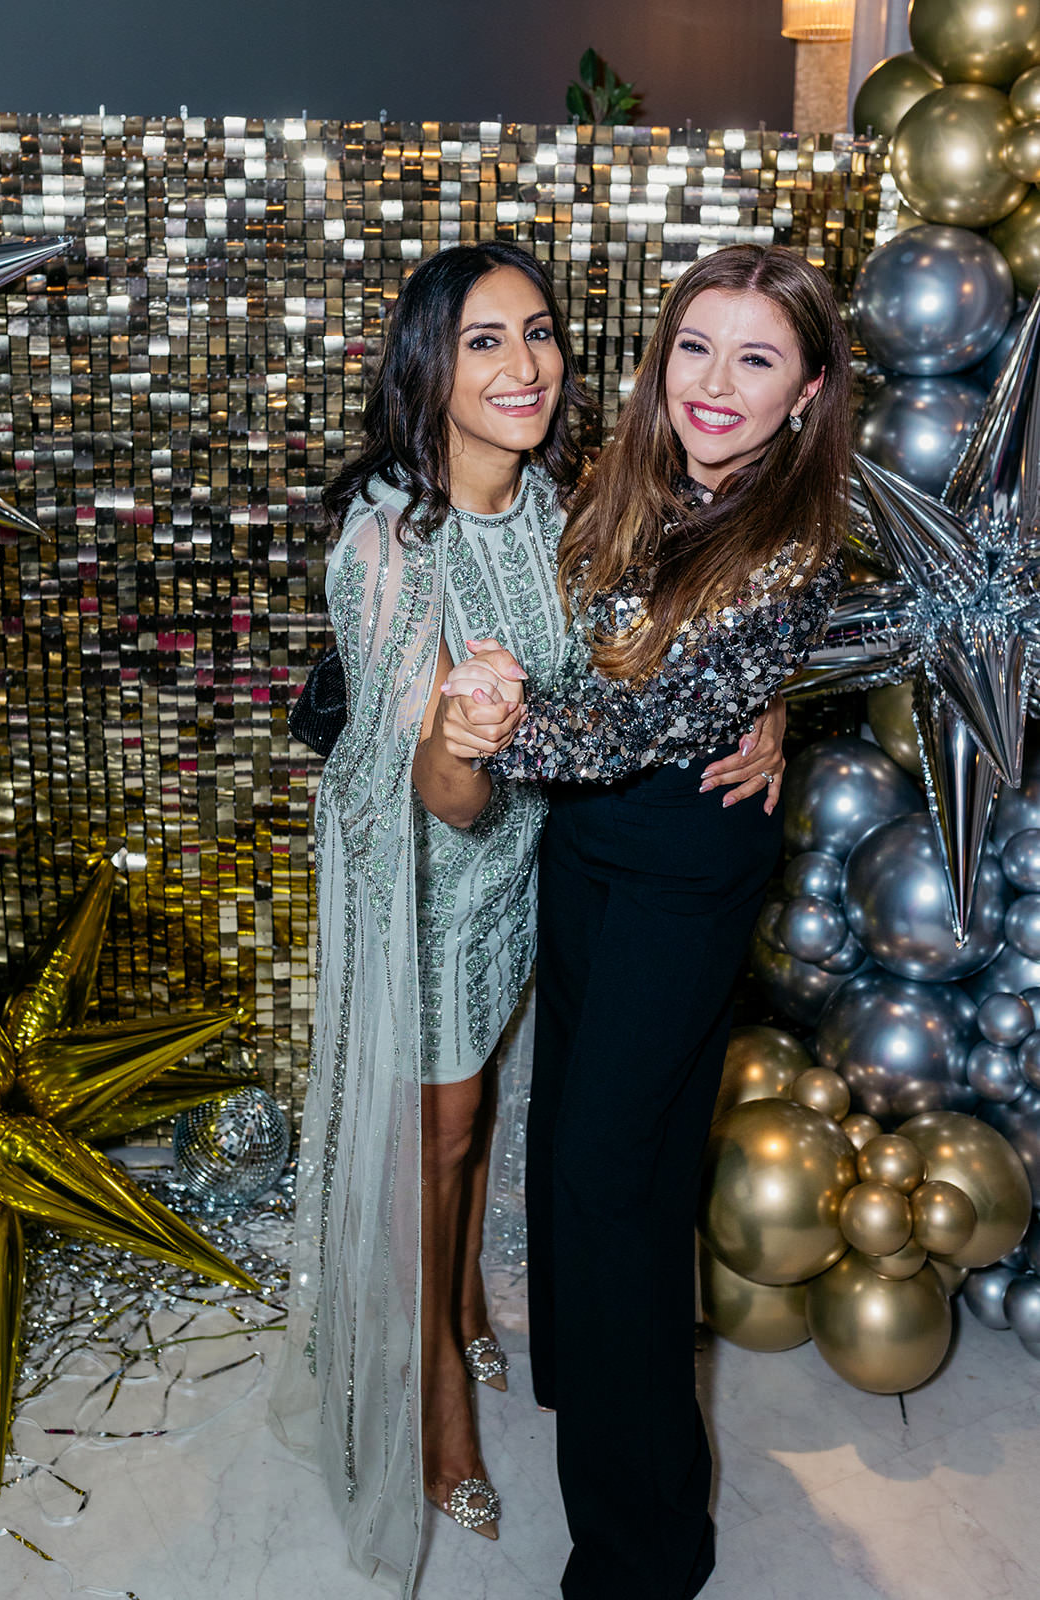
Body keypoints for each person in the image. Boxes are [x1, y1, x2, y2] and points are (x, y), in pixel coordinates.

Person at [271, 241, 787, 1599]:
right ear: (427, 370)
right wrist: (463, 737)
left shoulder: (564, 498)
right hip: (430, 877)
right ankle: (436, 1383)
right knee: (442, 1131)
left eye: (540, 332)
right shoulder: (392, 546)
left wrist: (771, 703)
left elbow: (670, 632)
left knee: (499, 1103)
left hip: (536, 864)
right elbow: (439, 802)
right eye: (485, 341)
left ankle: (461, 1305)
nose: (525, 365)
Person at [441, 244, 850, 1598]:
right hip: (591, 849)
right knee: (587, 1133)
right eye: (696, 346)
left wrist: (481, 727)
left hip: (682, 864)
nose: (715, 384)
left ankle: (640, 1555)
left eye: (757, 359)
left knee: (609, 1178)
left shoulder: (786, 540)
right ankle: (599, 1392)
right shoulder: (626, 478)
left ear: (806, 394)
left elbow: (629, 727)